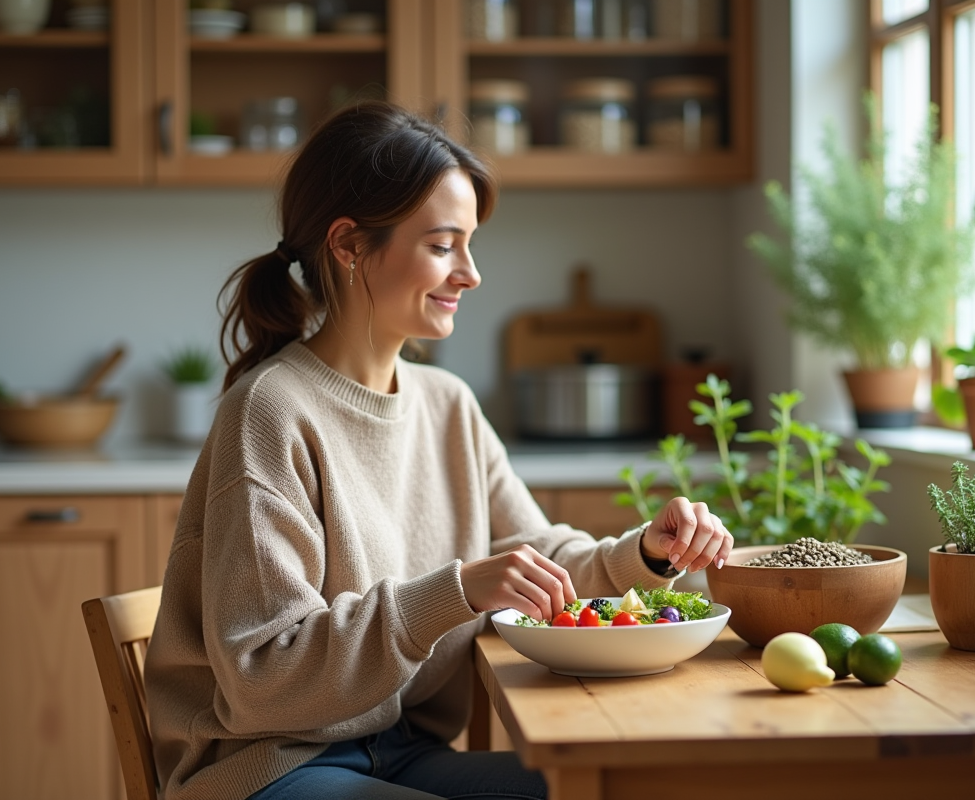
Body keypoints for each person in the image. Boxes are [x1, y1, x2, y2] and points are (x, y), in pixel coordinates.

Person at [143, 100, 734, 800]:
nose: (471, 273)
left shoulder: (445, 402)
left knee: (617, 789)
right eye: (443, 244)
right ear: (349, 245)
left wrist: (646, 553)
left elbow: (537, 555)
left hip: (402, 752)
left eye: (469, 243)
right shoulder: (269, 412)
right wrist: (454, 593)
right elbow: (263, 678)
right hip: (272, 766)